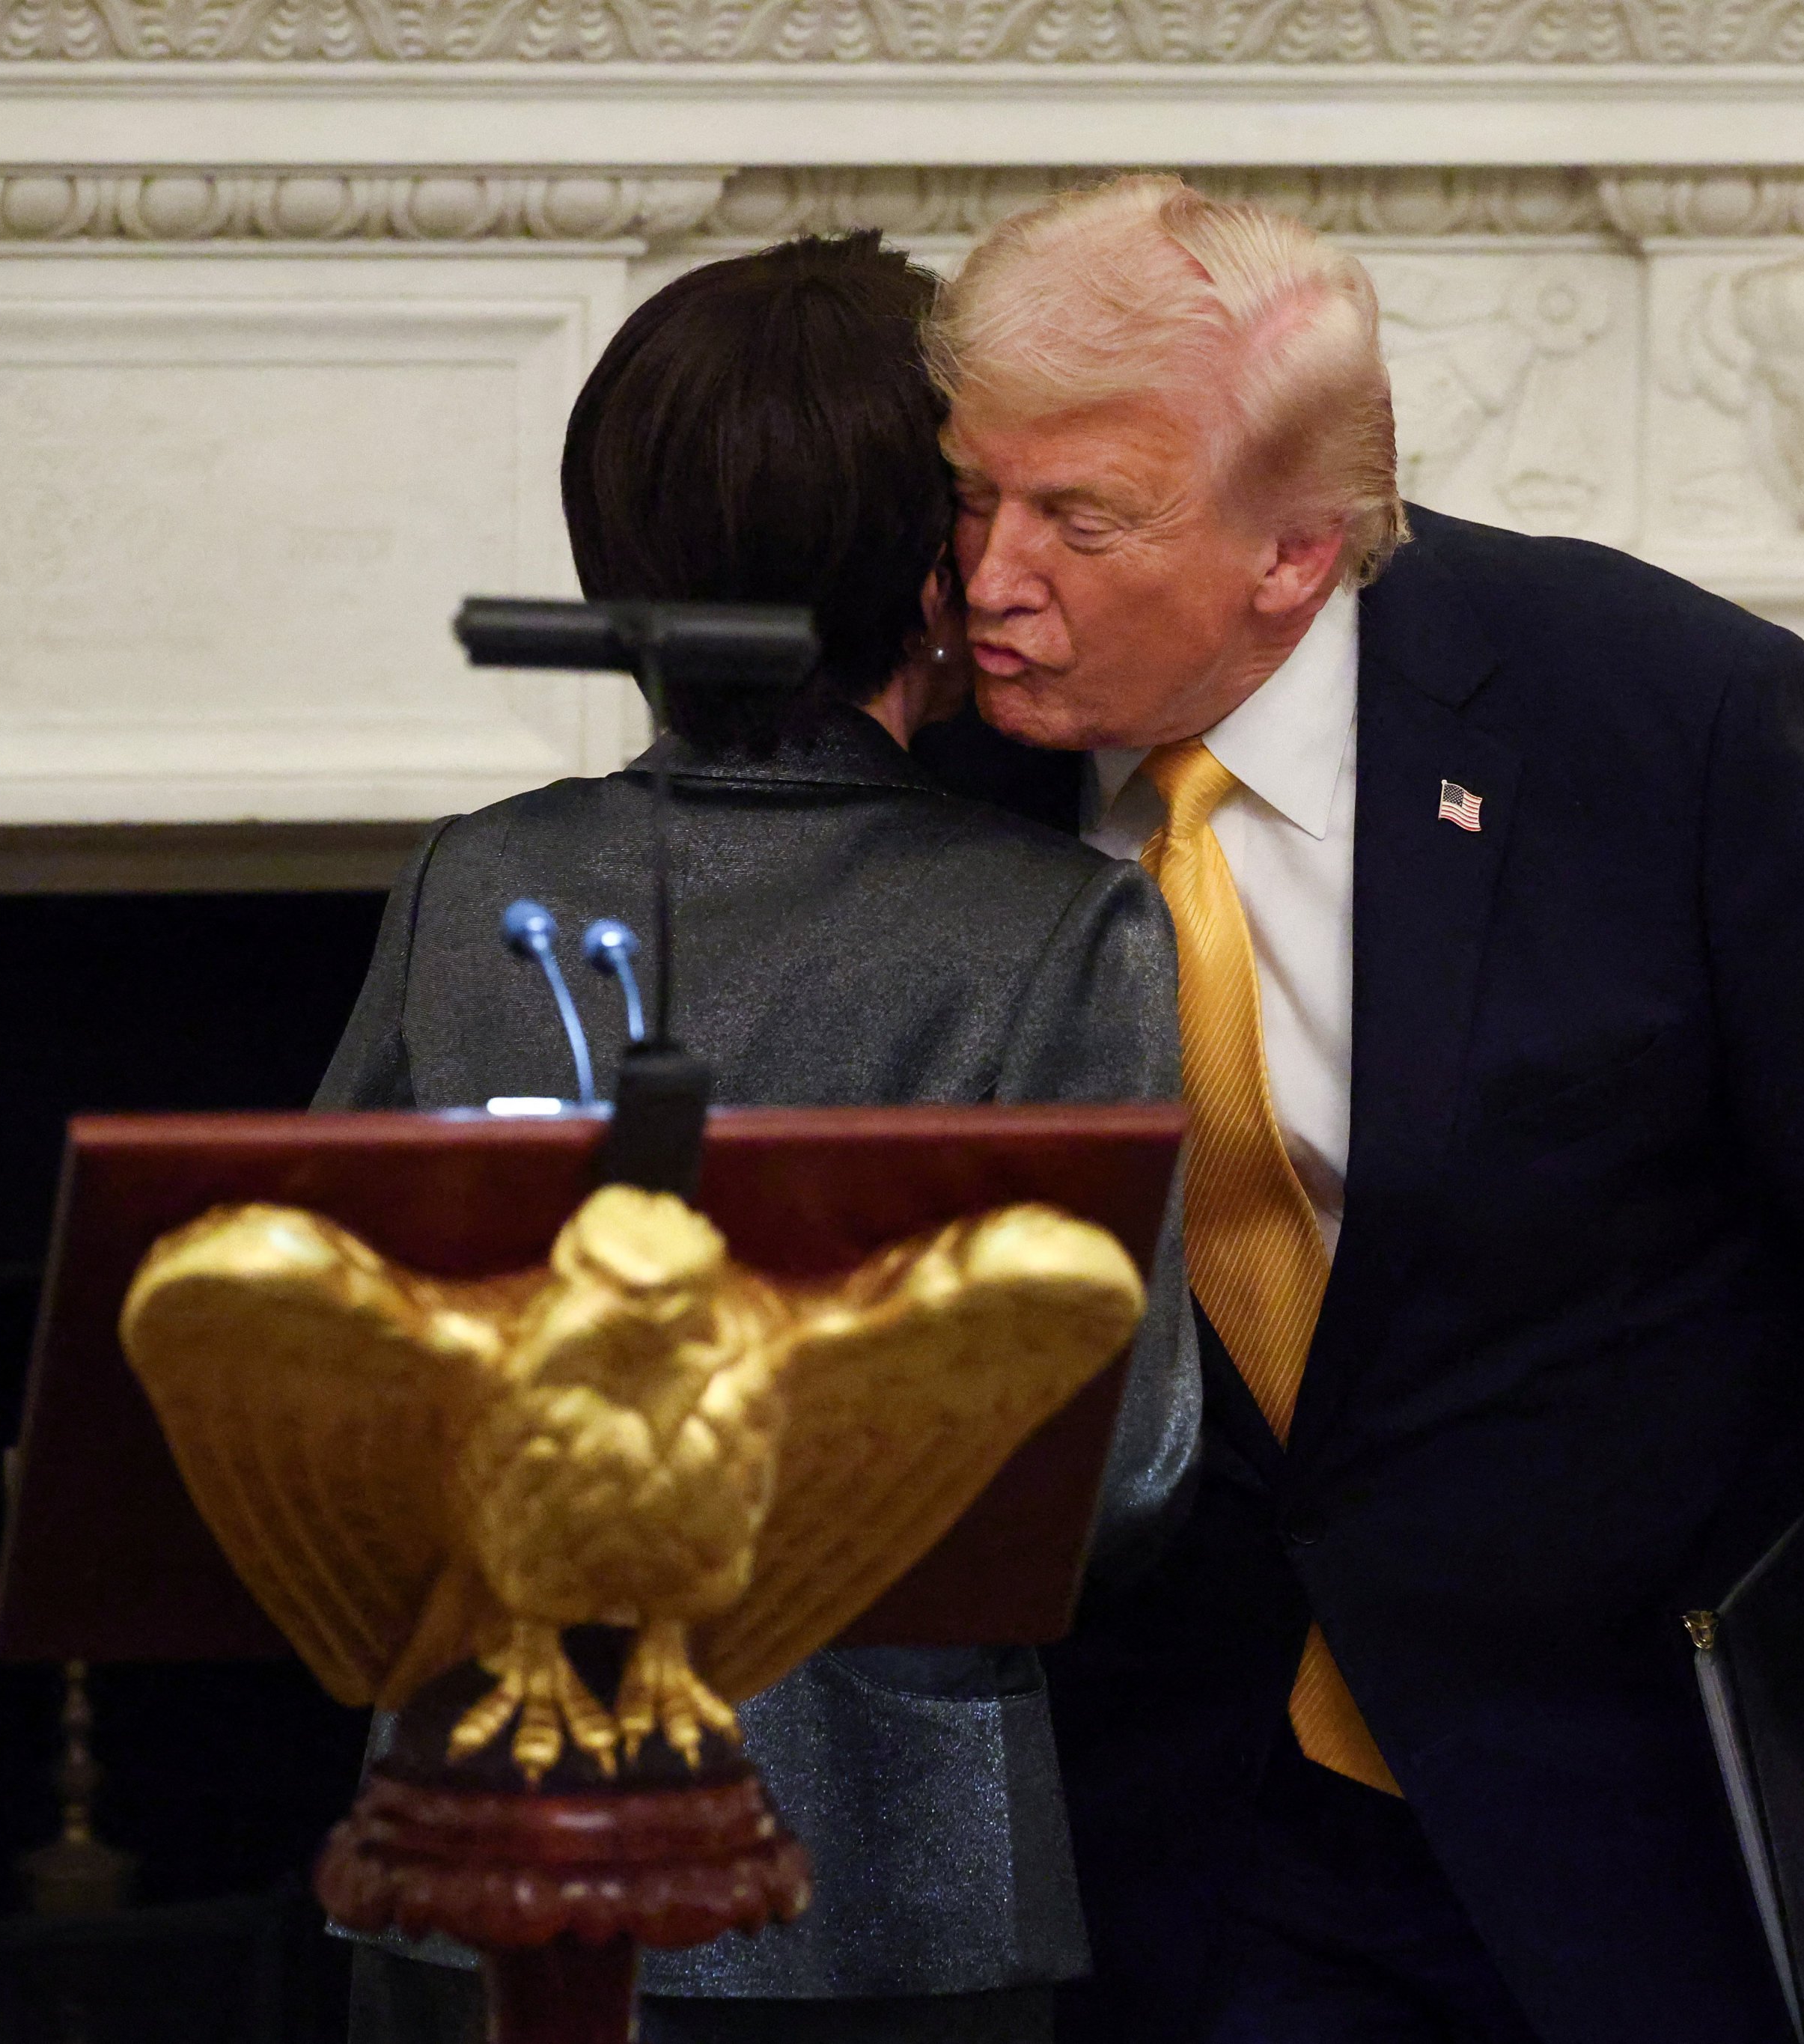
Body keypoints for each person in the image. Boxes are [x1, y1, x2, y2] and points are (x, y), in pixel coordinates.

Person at [923, 176, 1804, 2043]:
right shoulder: (942, 771)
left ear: (1292, 555)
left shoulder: (1661, 716)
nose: (988, 577)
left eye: (1076, 519)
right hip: (1195, 1817)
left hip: (1638, 1799)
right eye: (971, 494)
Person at [317, 230, 1192, 2044]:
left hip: (483, 1856)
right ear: (931, 562)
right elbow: (1119, 1471)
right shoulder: (1058, 926)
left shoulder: (469, 880)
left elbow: (338, 1386)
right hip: (892, 1894)